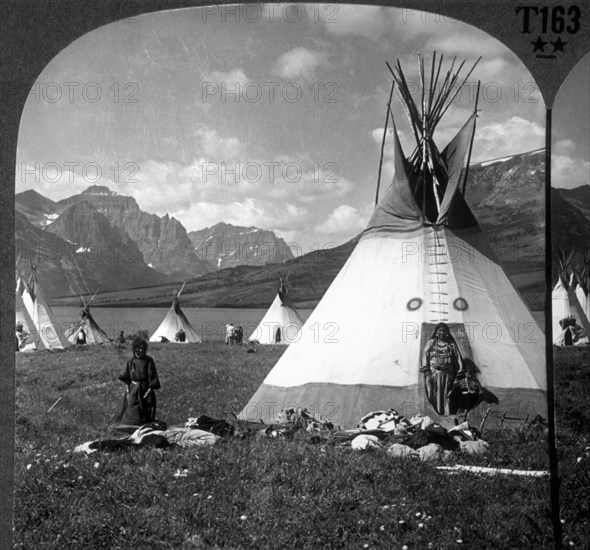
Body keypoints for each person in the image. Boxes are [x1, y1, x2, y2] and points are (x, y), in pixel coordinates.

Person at [420, 323, 463, 415]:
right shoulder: (431, 343)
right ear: (436, 332)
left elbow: (458, 357)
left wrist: (460, 370)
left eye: (444, 331)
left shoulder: (451, 345)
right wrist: (426, 370)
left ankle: (445, 414)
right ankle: (435, 413)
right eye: (440, 330)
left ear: (447, 333)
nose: (441, 333)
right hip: (434, 372)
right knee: (432, 394)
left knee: (446, 394)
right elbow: (424, 355)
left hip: (448, 373)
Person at [116, 337, 161, 426]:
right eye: (138, 348)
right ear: (135, 349)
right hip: (133, 390)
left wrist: (149, 391)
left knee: (145, 413)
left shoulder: (149, 361)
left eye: (142, 348)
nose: (140, 350)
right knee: (132, 412)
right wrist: (128, 391)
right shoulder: (131, 361)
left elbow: (153, 377)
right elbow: (126, 378)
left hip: (145, 390)